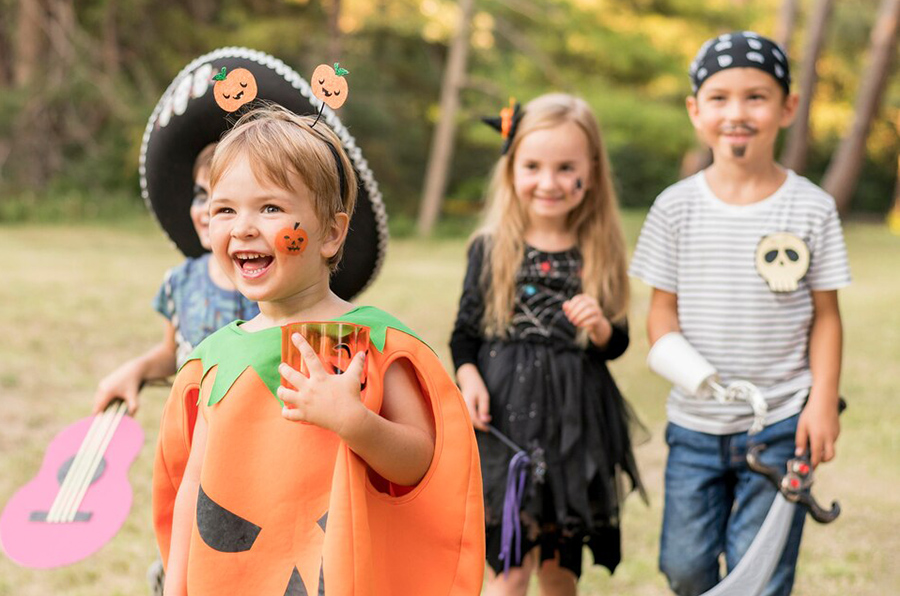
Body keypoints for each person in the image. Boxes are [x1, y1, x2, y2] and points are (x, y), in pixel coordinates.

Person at [153, 104, 484, 596]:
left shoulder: (368, 343)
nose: (243, 227)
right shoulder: (214, 359)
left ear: (331, 232)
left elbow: (421, 463)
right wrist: (177, 586)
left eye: (270, 208)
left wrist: (355, 422)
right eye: (225, 209)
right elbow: (195, 492)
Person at [629, 31, 851, 596]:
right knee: (685, 567)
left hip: (782, 424)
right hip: (696, 425)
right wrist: (694, 371)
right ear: (695, 110)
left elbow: (826, 315)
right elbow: (661, 316)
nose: (738, 112)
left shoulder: (811, 207)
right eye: (720, 97)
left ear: (788, 108)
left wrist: (822, 399)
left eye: (756, 97)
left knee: (763, 572)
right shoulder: (674, 207)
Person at [450, 93, 645, 595]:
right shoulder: (491, 247)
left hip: (574, 425)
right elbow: (465, 335)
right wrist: (467, 377)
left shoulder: (599, 248)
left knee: (560, 570)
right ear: (512, 167)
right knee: (510, 565)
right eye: (533, 166)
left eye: (565, 168)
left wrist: (600, 326)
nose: (549, 182)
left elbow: (616, 343)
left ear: (592, 171)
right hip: (506, 421)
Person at [93, 143, 258, 415]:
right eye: (201, 195)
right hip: (191, 432)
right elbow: (174, 353)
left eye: (224, 202)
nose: (207, 210)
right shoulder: (180, 282)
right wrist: (137, 369)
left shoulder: (272, 284)